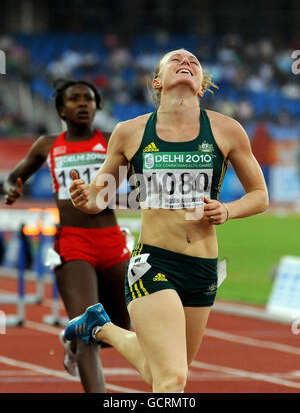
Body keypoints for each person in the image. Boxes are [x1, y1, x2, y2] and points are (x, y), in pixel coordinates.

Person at [64, 49, 269, 393]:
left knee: (161, 371)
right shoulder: (129, 132)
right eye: (176, 60)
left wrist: (227, 210)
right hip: (153, 264)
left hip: (203, 268)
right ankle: (100, 325)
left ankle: (99, 325)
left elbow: (260, 195)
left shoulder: (226, 130)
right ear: (158, 81)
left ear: (201, 85)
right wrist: (86, 198)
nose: (186, 62)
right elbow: (99, 195)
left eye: (194, 62)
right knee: (173, 380)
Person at [3, 79, 131, 393]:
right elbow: (12, 177)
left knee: (122, 328)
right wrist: (13, 187)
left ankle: (73, 346)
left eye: (89, 99)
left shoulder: (112, 140)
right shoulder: (48, 145)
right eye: (74, 99)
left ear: (98, 106)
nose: (83, 104)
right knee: (88, 329)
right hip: (73, 243)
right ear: (62, 109)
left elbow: (141, 170)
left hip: (112, 238)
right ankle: (81, 345)